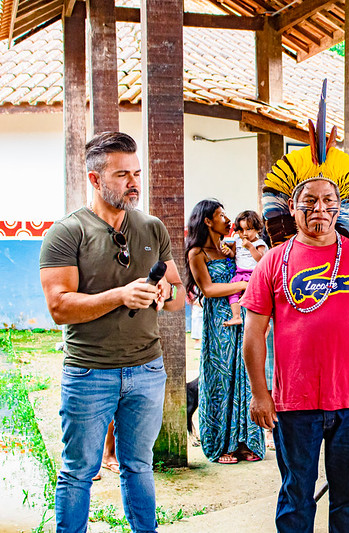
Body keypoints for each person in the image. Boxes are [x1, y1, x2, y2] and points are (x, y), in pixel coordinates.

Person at [241, 80, 349, 533]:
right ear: (293, 207)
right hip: (293, 404)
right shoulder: (274, 260)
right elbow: (254, 335)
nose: (320, 209)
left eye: (329, 201)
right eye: (309, 201)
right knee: (296, 496)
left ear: (339, 207)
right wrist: (259, 392)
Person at [39, 131, 186, 533]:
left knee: (138, 466)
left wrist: (163, 291)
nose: (134, 183)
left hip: (147, 370)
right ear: (94, 179)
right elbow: (59, 307)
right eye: (122, 175)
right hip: (89, 373)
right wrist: (121, 294)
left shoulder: (153, 228)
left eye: (136, 173)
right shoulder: (67, 233)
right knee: (78, 471)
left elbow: (177, 298)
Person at [185, 199, 265, 464]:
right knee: (221, 380)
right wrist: (243, 288)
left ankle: (245, 441)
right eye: (221, 215)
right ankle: (222, 444)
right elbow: (207, 290)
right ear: (207, 221)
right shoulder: (197, 253)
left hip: (243, 318)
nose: (227, 219)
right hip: (219, 321)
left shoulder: (229, 249)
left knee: (244, 377)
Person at [223, 210, 267, 327]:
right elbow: (234, 255)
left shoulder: (260, 243)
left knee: (253, 298)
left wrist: (251, 247)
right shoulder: (237, 242)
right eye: (241, 230)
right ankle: (236, 316)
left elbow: (261, 259)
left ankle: (262, 321)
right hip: (240, 274)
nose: (244, 234)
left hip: (254, 274)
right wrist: (228, 252)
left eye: (248, 229)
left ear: (257, 229)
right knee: (233, 293)